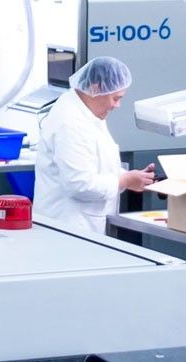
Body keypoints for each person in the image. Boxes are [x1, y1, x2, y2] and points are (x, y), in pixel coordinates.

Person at [33, 56, 155, 234]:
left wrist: (130, 177)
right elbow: (79, 184)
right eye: (115, 98)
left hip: (80, 227)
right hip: (68, 230)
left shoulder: (88, 114)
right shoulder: (71, 123)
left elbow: (96, 164)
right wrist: (123, 180)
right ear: (95, 88)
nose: (117, 105)